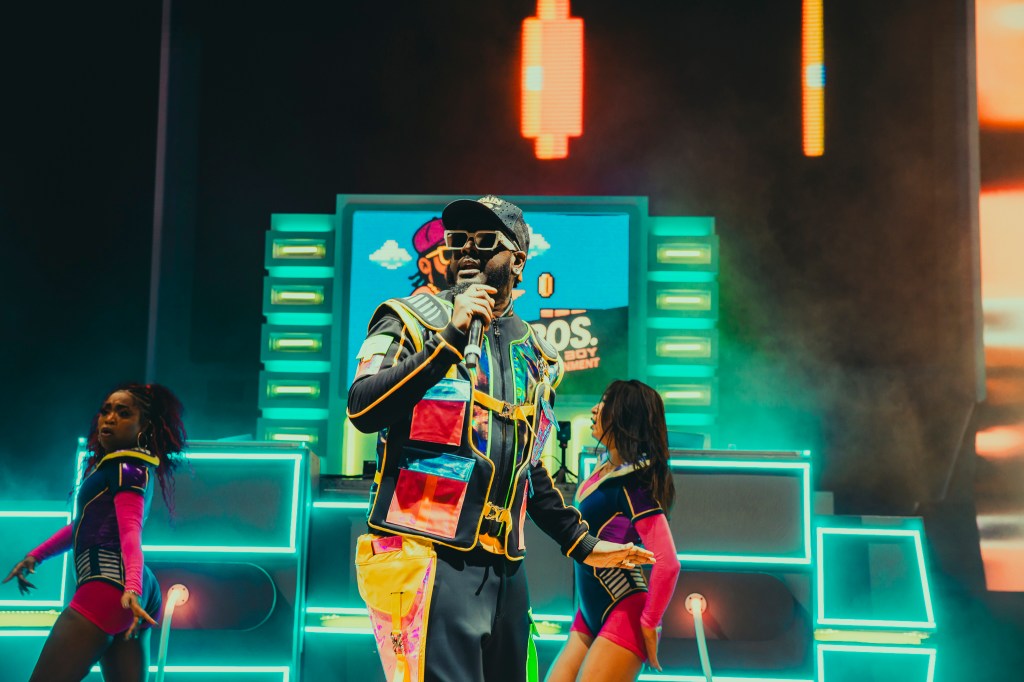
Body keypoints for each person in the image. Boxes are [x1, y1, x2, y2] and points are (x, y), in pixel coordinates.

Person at [348, 195, 654, 682]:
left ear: (517, 261)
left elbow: (530, 466)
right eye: (457, 241)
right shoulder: (408, 317)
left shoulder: (536, 352)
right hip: (428, 559)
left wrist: (582, 543)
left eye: (484, 241)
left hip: (507, 570)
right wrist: (447, 339)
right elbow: (363, 407)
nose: (466, 251)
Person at [4, 383, 187, 682]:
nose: (109, 418)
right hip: (126, 588)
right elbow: (84, 526)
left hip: (111, 586)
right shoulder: (121, 467)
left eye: (123, 413)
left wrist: (132, 587)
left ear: (144, 426)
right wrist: (35, 556)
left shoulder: (127, 468)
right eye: (106, 410)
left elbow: (130, 531)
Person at [545, 380, 680, 682]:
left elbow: (668, 564)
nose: (595, 409)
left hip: (624, 610)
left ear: (624, 415)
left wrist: (650, 623)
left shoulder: (635, 482)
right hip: (589, 612)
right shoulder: (605, 468)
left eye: (605, 403)